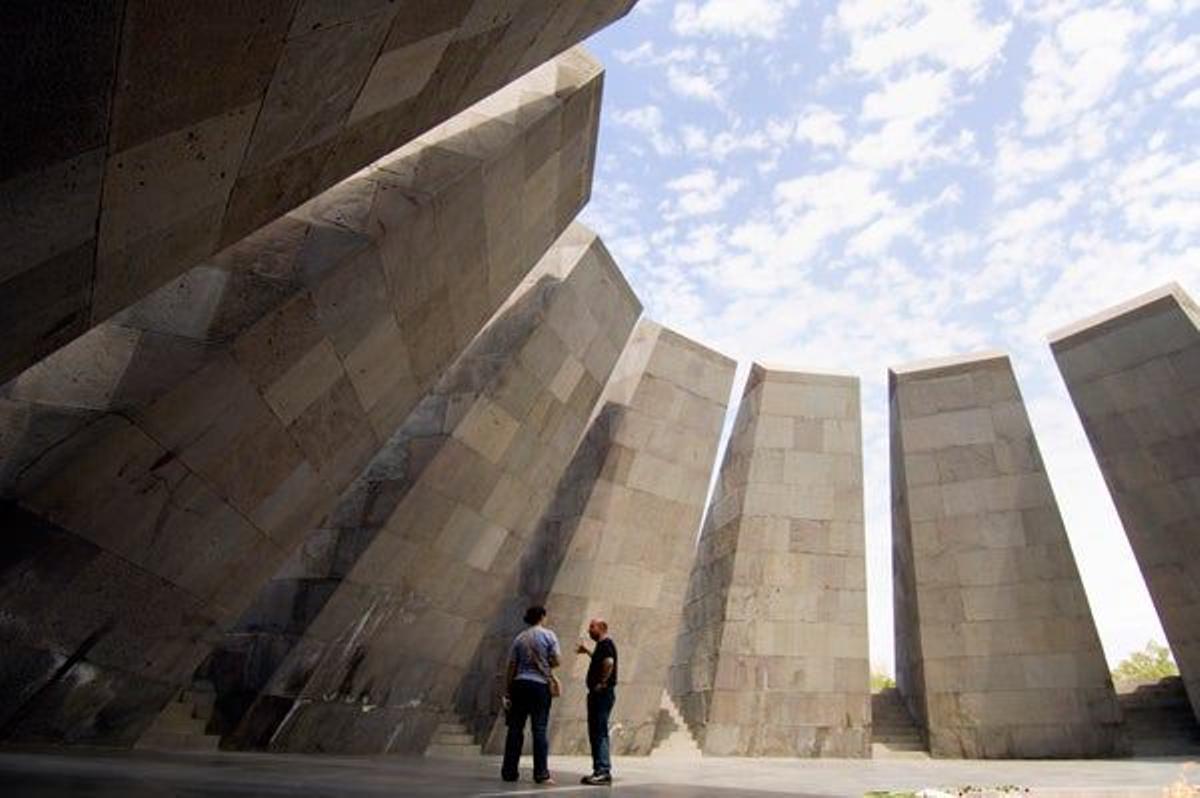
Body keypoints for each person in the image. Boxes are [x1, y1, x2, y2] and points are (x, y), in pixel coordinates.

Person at [501, 605, 561, 785]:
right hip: (540, 687)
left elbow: (511, 666)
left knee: (515, 729)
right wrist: (546, 662)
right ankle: (541, 774)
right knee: (539, 729)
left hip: (520, 685)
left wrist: (508, 690)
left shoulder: (520, 638)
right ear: (542, 616)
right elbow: (557, 660)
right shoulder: (549, 635)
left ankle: (509, 772)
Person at [576, 618, 618, 786]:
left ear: (602, 628)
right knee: (596, 732)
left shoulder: (606, 643)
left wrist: (602, 683)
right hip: (598, 694)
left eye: (592, 627)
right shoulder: (602, 646)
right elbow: (601, 661)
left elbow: (609, 662)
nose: (588, 630)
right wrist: (587, 651)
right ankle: (599, 771)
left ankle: (603, 771)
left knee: (599, 732)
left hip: (601, 694)